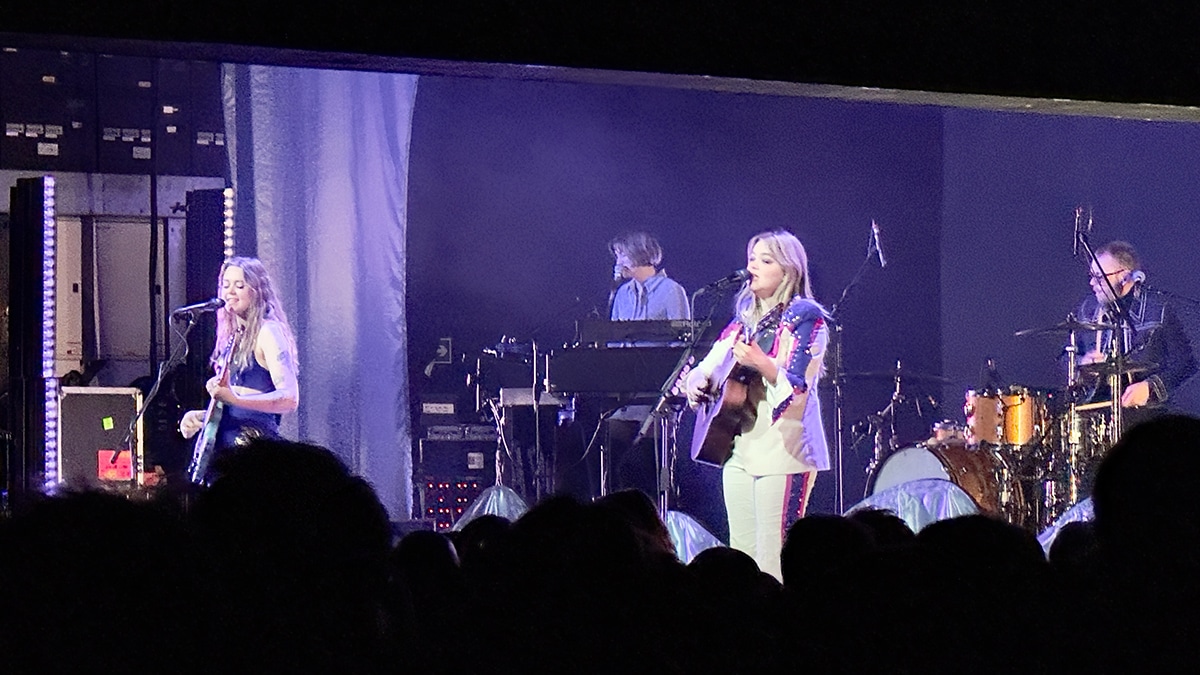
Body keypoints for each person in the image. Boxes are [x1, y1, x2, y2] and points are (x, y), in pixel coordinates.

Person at [684, 229, 830, 580]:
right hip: (741, 449)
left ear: (788, 270)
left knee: (774, 554)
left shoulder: (806, 318)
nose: (753, 267)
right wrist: (695, 384)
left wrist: (761, 363)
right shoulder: (743, 322)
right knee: (742, 553)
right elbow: (708, 366)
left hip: (783, 451)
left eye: (766, 260)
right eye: (752, 258)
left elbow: (797, 388)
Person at [179, 256, 300, 482]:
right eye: (225, 285)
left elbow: (290, 399)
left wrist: (232, 398)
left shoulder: (268, 333)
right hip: (226, 454)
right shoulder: (234, 337)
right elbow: (237, 404)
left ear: (257, 290)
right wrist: (203, 417)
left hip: (254, 454)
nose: (230, 292)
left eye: (239, 285)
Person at [1073, 241, 1196, 410]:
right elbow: (1067, 355)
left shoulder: (1157, 310)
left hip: (1145, 415)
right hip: (1097, 411)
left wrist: (1150, 388)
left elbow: (1185, 363)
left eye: (1099, 277)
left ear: (1124, 276)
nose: (1092, 283)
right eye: (1091, 276)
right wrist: (1082, 364)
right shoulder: (1088, 309)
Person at [608, 231, 690, 321]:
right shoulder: (622, 293)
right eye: (617, 256)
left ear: (640, 253)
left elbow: (682, 330)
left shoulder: (670, 290)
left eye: (623, 255)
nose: (618, 263)